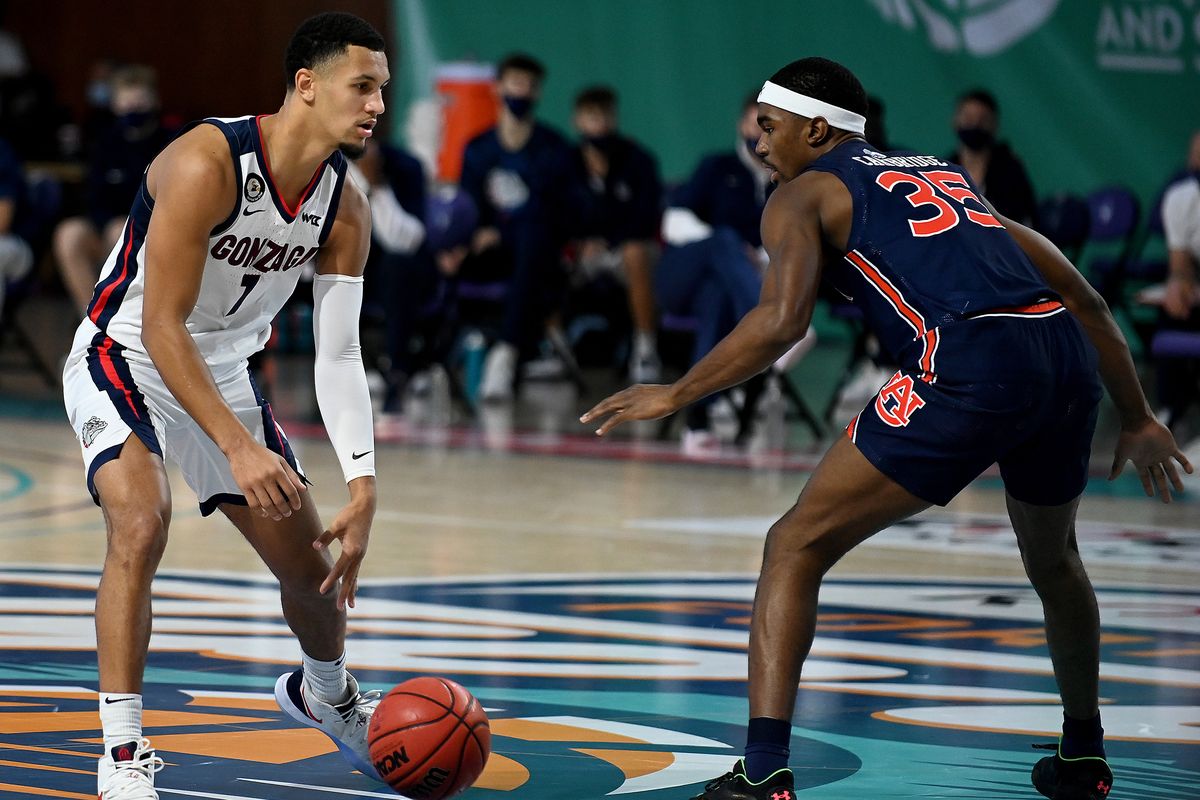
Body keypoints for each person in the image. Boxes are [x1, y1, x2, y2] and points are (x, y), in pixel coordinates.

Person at [582, 57, 1191, 800]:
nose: (757, 141)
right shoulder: (940, 174)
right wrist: (1138, 416)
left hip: (968, 363)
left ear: (816, 128)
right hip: (1060, 359)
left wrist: (677, 391)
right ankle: (1084, 756)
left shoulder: (800, 195)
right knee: (1055, 562)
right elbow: (1084, 296)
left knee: (794, 544)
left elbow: (781, 322)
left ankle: (763, 768)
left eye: (768, 127)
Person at [60, 13, 388, 798]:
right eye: (363, 86)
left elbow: (339, 354)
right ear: (306, 86)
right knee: (140, 521)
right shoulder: (207, 161)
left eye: (383, 89)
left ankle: (326, 693)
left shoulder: (346, 208)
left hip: (225, 371)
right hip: (125, 354)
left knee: (312, 572)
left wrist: (365, 483)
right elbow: (162, 324)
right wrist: (240, 450)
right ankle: (123, 755)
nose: (377, 104)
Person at [453, 52, 573, 401]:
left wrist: (501, 231)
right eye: (515, 83)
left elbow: (555, 215)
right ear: (498, 87)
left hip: (538, 256)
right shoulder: (478, 149)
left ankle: (505, 354)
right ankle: (421, 360)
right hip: (487, 254)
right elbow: (467, 209)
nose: (522, 91)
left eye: (530, 86)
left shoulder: (554, 148)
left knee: (533, 237)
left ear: (538, 94)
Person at [53, 65, 176, 314]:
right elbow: (95, 195)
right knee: (69, 234)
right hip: (105, 225)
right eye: (127, 102)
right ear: (115, 105)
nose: (134, 108)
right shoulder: (104, 141)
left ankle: (122, 315)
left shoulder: (168, 141)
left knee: (120, 230)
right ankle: (90, 316)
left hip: (148, 229)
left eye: (140, 101)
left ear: (154, 101)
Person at [569, 85, 663, 382]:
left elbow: (646, 217)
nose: (599, 124)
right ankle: (552, 349)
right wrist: (580, 243)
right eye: (591, 117)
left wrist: (609, 241)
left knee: (636, 252)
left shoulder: (638, 160)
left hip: (625, 251)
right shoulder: (564, 162)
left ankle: (646, 349)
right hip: (581, 253)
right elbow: (556, 213)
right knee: (539, 254)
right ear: (578, 121)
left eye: (605, 116)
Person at [1156, 130, 1200, 436]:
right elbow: (1180, 266)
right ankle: (1171, 413)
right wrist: (1178, 286)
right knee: (1172, 305)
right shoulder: (1181, 199)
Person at [946, 88, 1036, 226]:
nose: (975, 125)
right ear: (955, 120)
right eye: (968, 118)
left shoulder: (1010, 171)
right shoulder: (944, 170)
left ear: (994, 125)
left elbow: (1027, 221)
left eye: (983, 119)